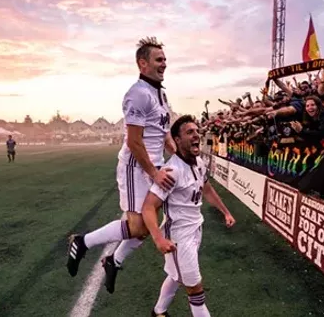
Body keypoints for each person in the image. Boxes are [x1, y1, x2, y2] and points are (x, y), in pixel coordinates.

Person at [67, 37, 177, 293]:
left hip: (154, 165)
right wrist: (153, 172)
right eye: (158, 60)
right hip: (136, 167)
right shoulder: (137, 94)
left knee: (145, 229)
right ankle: (83, 242)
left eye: (165, 60)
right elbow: (135, 142)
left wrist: (181, 157)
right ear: (142, 64)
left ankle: (113, 262)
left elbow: (164, 134)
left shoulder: (159, 93)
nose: (164, 64)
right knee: (139, 227)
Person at [142, 115, 235, 317]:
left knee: (176, 276)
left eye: (197, 131)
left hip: (196, 229)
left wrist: (225, 212)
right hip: (178, 237)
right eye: (189, 132)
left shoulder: (199, 162)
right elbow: (148, 207)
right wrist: (158, 238)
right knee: (195, 288)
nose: (196, 136)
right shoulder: (172, 171)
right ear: (177, 140)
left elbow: (207, 189)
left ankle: (158, 312)